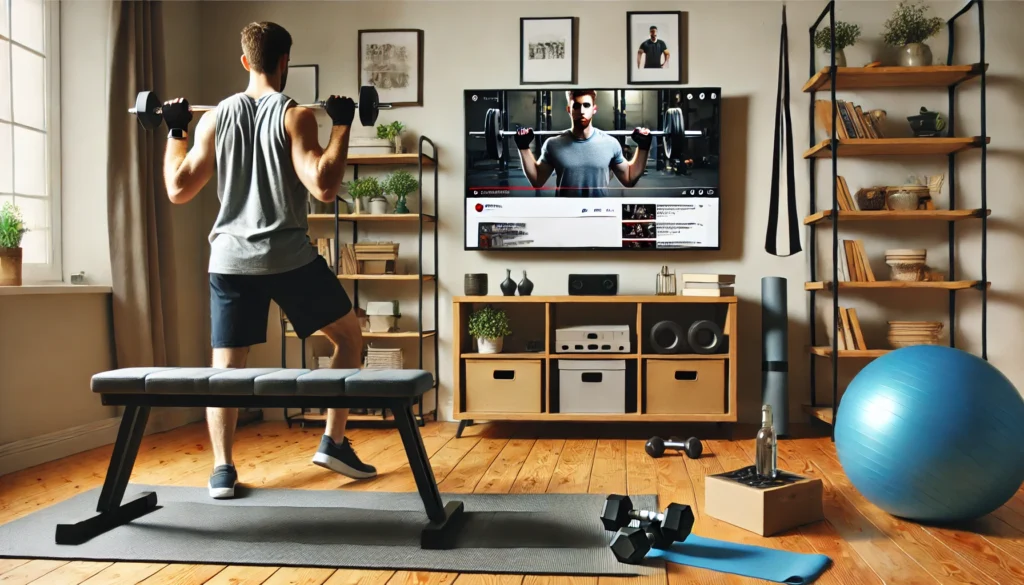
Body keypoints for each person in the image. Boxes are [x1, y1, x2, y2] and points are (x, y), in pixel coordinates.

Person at [157, 21, 376, 499]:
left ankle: (221, 470)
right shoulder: (295, 116)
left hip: (230, 260)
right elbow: (324, 186)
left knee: (227, 370)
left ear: (244, 61)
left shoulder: (214, 117)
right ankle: (333, 442)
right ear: (284, 63)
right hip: (288, 256)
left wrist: (176, 130)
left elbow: (178, 189)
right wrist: (341, 125)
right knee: (348, 337)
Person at [515, 89, 652, 197]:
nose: (581, 111)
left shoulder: (610, 143)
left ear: (594, 109)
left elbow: (629, 179)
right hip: (566, 216)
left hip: (599, 216)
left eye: (586, 105)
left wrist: (643, 147)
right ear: (569, 110)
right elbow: (537, 180)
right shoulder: (553, 144)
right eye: (576, 106)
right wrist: (523, 147)